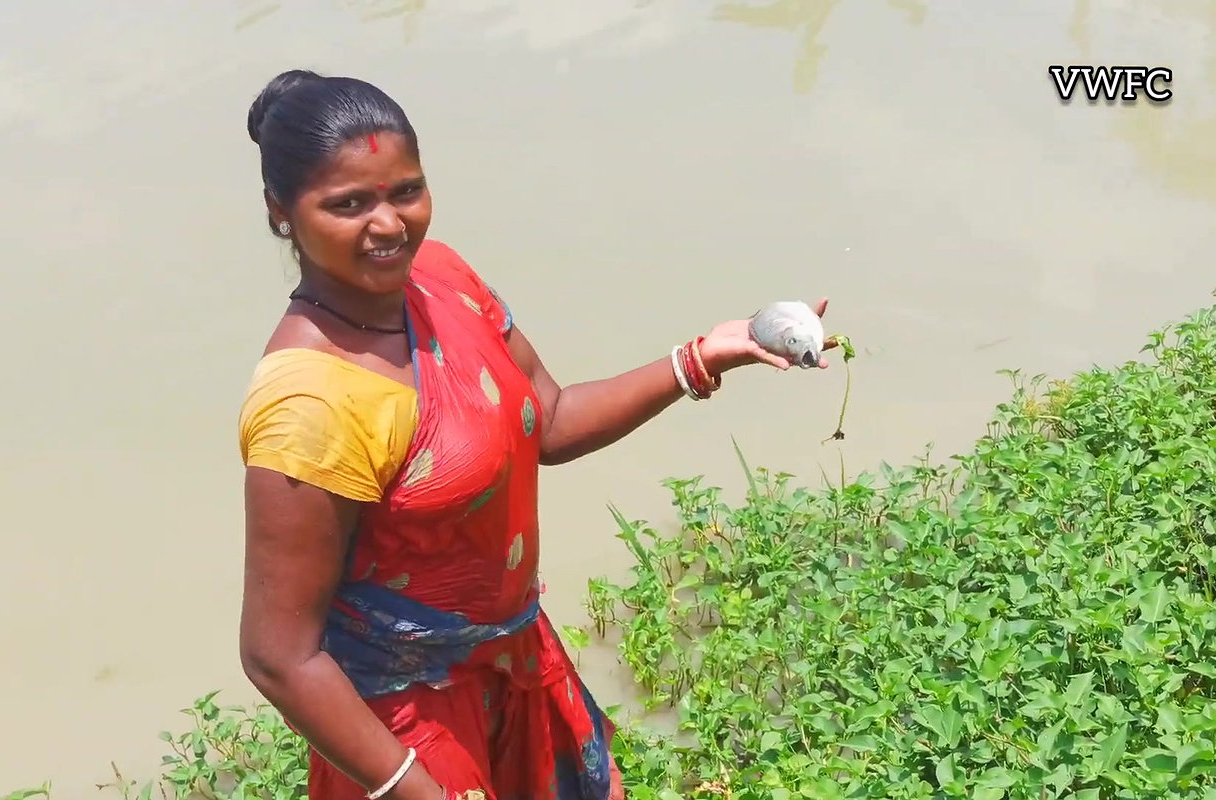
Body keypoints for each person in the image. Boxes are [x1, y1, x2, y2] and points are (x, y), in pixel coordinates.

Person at [235, 69, 834, 800]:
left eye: (406, 192)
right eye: (348, 204)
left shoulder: (441, 279)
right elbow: (280, 658)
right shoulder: (311, 401)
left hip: (515, 664)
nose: (389, 225)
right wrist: (417, 790)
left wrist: (702, 358)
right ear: (280, 211)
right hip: (405, 729)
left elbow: (546, 418)